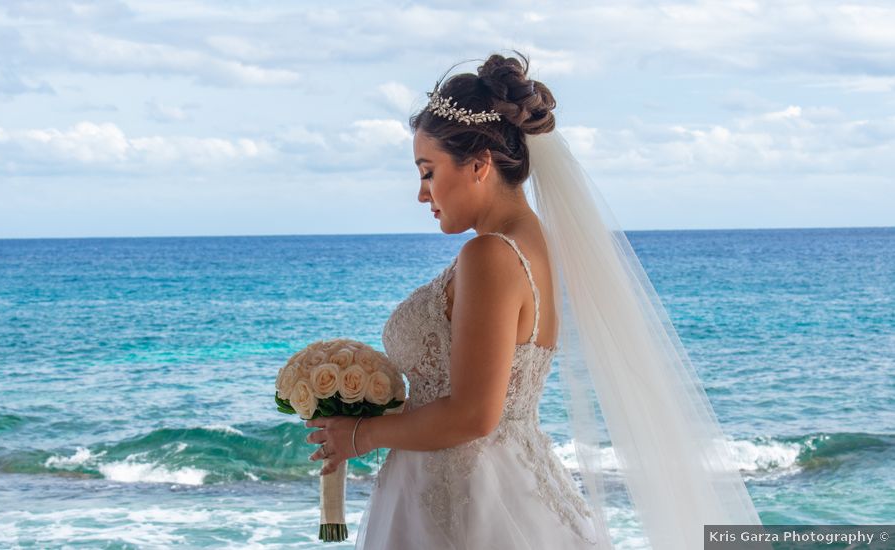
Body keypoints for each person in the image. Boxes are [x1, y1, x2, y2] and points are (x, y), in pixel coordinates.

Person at [304, 50, 764, 549]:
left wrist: (360, 437)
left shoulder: (491, 254)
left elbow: (475, 415)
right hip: (501, 484)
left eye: (428, 171)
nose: (422, 194)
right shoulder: (532, 243)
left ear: (479, 165)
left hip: (470, 506)